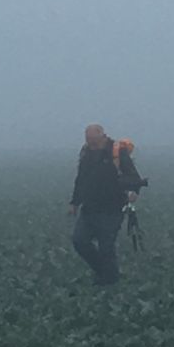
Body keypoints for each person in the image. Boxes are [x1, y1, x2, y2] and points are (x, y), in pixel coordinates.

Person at [68, 123, 145, 286]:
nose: (91, 143)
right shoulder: (86, 153)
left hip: (112, 209)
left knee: (106, 247)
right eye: (88, 140)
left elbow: (133, 176)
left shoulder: (117, 152)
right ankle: (105, 273)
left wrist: (134, 192)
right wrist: (74, 202)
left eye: (93, 140)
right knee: (79, 241)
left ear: (103, 136)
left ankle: (110, 282)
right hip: (89, 208)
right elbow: (81, 179)